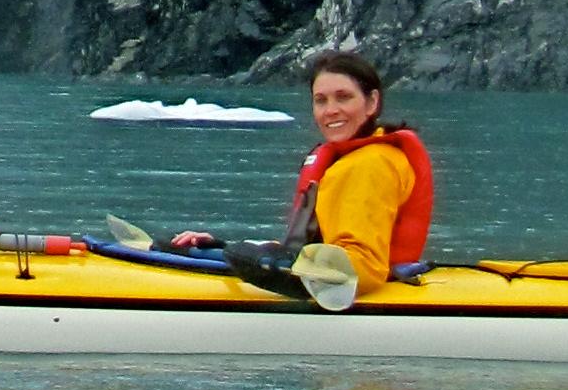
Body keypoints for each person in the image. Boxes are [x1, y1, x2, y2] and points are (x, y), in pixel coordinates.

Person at [170, 48, 431, 305]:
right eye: (321, 100)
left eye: (343, 97)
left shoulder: (370, 164)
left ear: (371, 102)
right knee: (175, 250)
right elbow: (317, 245)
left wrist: (278, 266)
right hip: (330, 275)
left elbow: (362, 266)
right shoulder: (353, 158)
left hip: (358, 296)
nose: (331, 110)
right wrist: (227, 248)